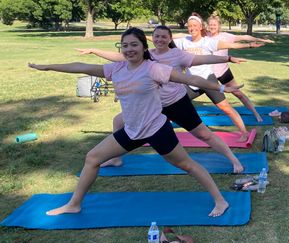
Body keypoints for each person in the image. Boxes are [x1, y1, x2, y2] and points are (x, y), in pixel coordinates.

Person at [29, 27, 243, 217]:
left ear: (143, 47)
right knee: (92, 157)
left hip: (157, 130)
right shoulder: (116, 69)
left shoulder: (153, 69)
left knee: (187, 165)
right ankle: (74, 204)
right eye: (125, 45)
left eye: (134, 45)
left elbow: (191, 80)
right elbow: (82, 66)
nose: (129, 49)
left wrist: (223, 88)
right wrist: (48, 67)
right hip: (132, 131)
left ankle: (220, 200)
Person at [78, 25, 247, 172]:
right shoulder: (146, 54)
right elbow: (118, 58)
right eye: (156, 36)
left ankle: (233, 159)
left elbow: (204, 58)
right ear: (151, 39)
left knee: (204, 135)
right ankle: (115, 157)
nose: (159, 39)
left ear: (169, 39)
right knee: (118, 121)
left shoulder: (178, 55)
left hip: (176, 103)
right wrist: (94, 50)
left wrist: (228, 58)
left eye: (163, 37)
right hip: (153, 105)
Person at [174, 13, 266, 141]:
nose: (192, 28)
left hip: (207, 80)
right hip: (191, 82)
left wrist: (249, 45)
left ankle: (244, 132)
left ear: (200, 27)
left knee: (225, 107)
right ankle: (160, 130)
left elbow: (231, 45)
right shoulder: (183, 41)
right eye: (190, 26)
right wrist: (140, 36)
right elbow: (161, 39)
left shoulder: (208, 42)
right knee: (173, 103)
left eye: (195, 25)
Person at [207, 14, 273, 123]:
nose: (212, 26)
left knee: (238, 93)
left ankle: (256, 114)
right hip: (209, 74)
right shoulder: (205, 36)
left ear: (219, 26)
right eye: (210, 25)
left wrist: (260, 39)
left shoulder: (225, 36)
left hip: (223, 72)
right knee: (193, 91)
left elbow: (244, 37)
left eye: (214, 24)